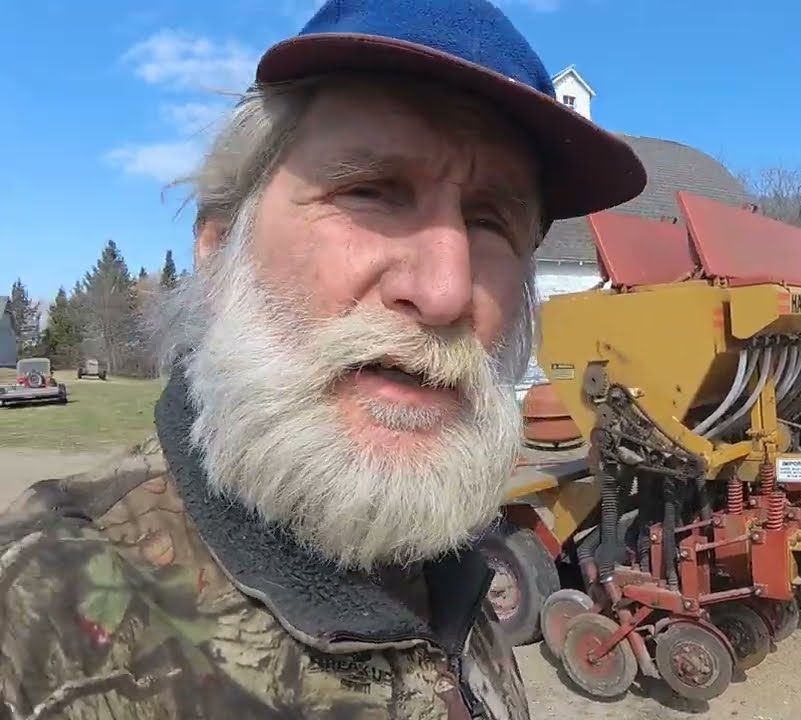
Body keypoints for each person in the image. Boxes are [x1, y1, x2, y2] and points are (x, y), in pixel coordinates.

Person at [0, 0, 646, 717]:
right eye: (369, 191)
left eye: (491, 220)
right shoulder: (37, 619)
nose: (443, 290)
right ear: (218, 254)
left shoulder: (448, 558)